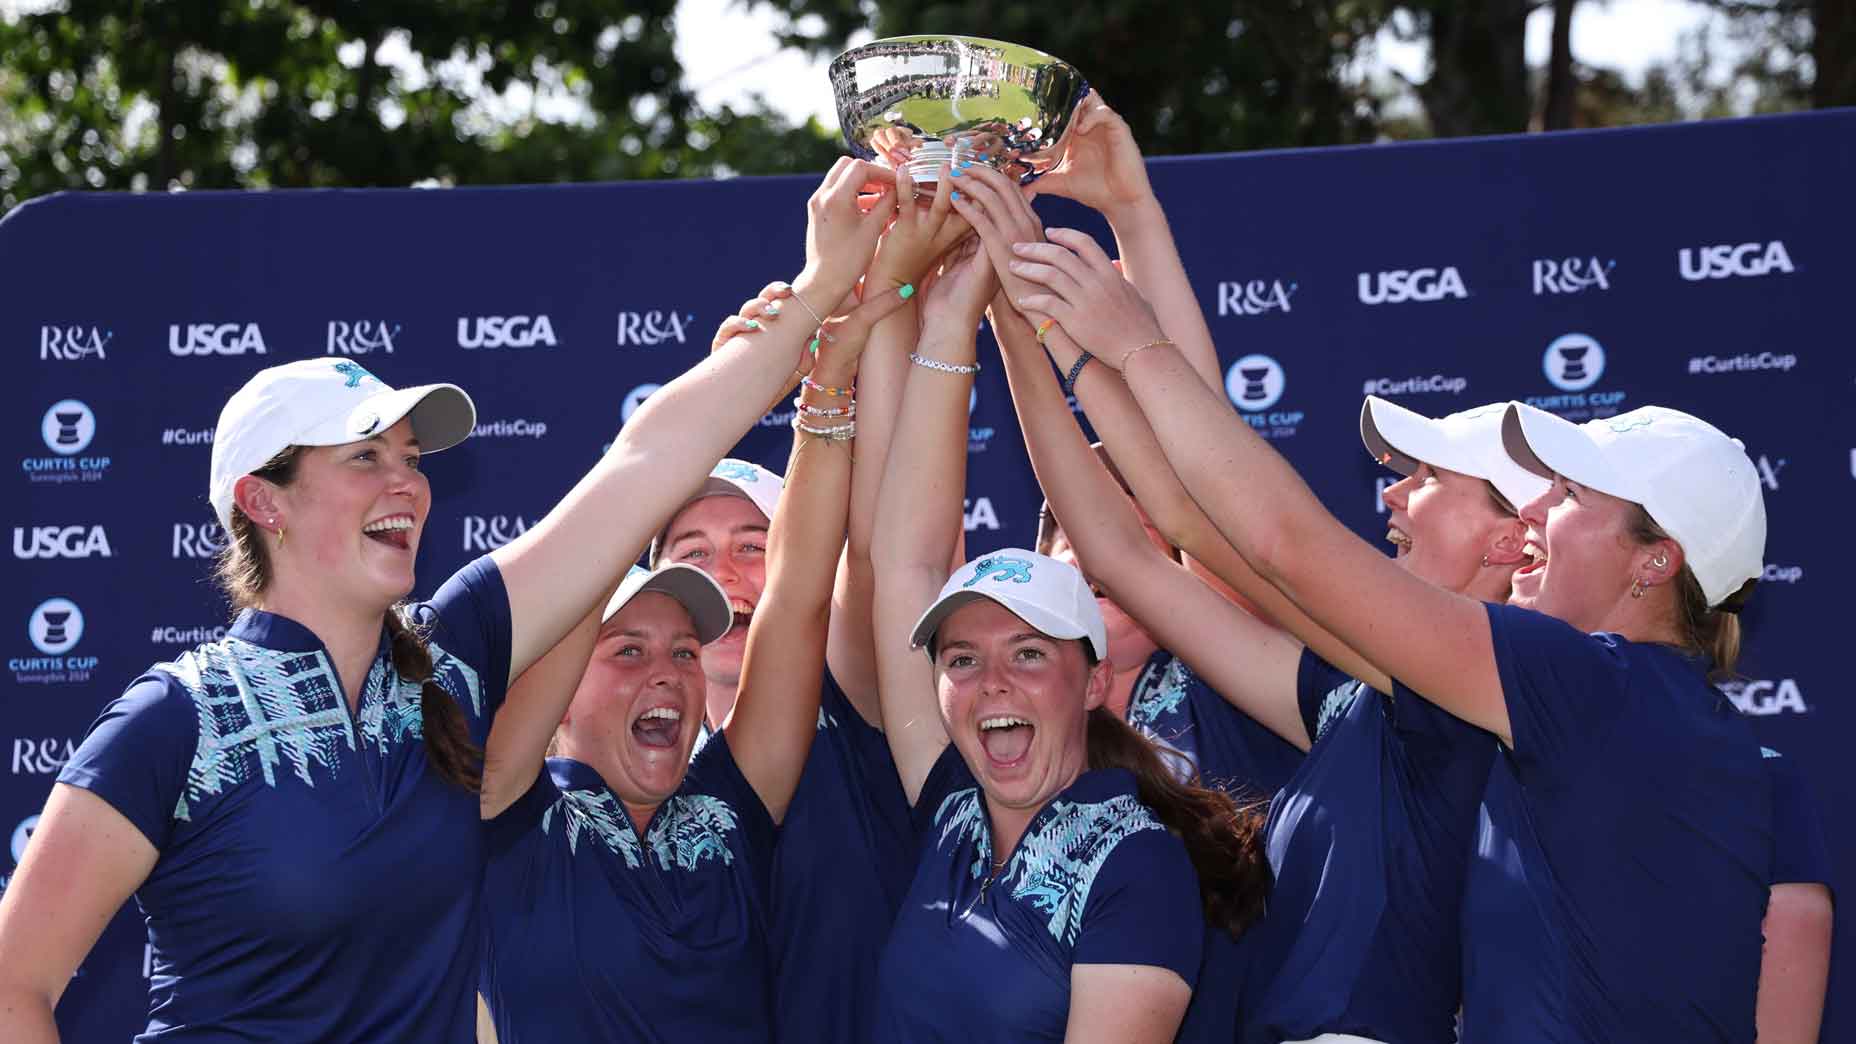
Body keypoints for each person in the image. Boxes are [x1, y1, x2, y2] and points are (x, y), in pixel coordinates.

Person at [0, 157, 900, 1043]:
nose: (408, 485)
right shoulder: (175, 719)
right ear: (263, 501)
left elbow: (639, 472)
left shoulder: (452, 663)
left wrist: (819, 295)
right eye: (365, 459)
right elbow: (14, 985)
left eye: (411, 460)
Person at [1009, 216, 1778, 1041]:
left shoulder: (1588, 684)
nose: (1536, 520)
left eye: (1568, 499)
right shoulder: (1558, 695)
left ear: (1656, 562)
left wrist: (1132, 343)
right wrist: (1036, 327)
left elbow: (1273, 542)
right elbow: (1162, 538)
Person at [958, 148, 1536, 1043]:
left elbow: (1222, 526)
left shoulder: (1480, 699)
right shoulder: (1357, 696)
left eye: (1425, 478)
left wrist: (1090, 328)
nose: (1389, 493)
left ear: (1514, 538)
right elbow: (1147, 541)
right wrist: (1017, 313)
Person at [868, 237, 1269, 1042]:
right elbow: (905, 563)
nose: (993, 683)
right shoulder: (953, 810)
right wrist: (949, 321)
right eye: (962, 660)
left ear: (1091, 684)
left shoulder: (1138, 860)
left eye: (1028, 654)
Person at [478, 271, 899, 1039]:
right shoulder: (505, 811)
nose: (666, 669)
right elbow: (589, 547)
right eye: (628, 649)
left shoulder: (727, 815)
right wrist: (721, 397)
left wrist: (829, 385)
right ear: (562, 683)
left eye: (681, 649)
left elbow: (799, 593)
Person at [649, 168, 970, 1044]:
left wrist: (890, 292)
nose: (725, 577)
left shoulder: (859, 702)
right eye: (691, 556)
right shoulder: (617, 779)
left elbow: (882, 545)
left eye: (754, 546)